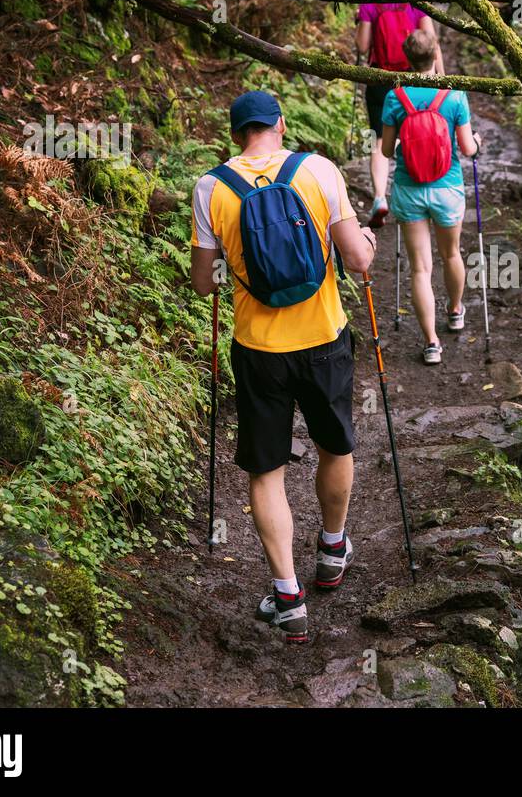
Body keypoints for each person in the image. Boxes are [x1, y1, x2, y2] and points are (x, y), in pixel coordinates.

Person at [190, 90, 377, 643]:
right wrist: (364, 238)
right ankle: (332, 547)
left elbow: (203, 284)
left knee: (266, 471)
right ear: (280, 124)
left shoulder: (210, 188)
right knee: (334, 444)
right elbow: (358, 259)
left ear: (234, 135)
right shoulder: (317, 170)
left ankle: (288, 595)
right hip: (324, 339)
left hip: (258, 351)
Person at [381, 29, 478, 365]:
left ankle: (432, 343)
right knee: (451, 254)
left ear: (407, 59)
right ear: (435, 53)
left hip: (409, 189)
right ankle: (454, 311)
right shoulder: (454, 95)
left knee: (420, 269)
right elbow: (467, 148)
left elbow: (385, 149)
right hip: (447, 188)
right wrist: (476, 142)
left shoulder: (396, 97)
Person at [355, 2, 443, 227]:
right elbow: (431, 41)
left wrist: (361, 20)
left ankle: (379, 199)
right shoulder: (416, 2)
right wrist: (441, 78)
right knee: (413, 134)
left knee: (379, 140)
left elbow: (363, 46)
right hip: (411, 80)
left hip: (380, 80)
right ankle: (418, 192)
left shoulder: (369, 4)